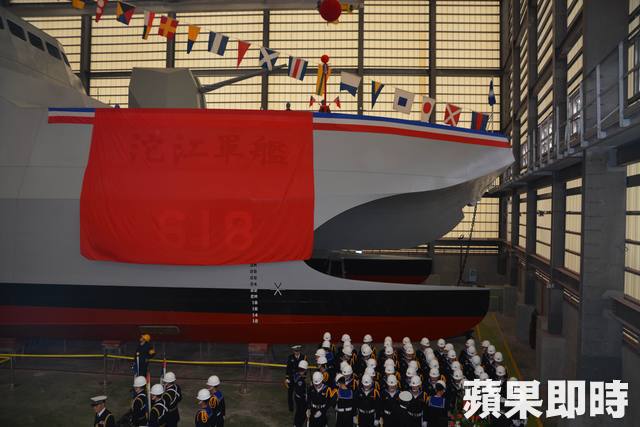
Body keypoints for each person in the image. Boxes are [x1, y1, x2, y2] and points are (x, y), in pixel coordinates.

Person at [286, 345, 307, 412]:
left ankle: (300, 407)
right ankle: (291, 408)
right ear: (293, 351)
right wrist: (287, 378)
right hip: (292, 378)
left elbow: (305, 368)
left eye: (298, 351)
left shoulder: (304, 357)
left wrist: (304, 377)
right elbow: (288, 368)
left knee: (300, 394)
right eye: (295, 351)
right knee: (290, 394)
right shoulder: (290, 357)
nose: (296, 352)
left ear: (299, 350)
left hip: (300, 379)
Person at [293, 360, 309, 427]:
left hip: (297, 396)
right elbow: (301, 390)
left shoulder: (297, 375)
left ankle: (295, 424)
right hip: (301, 399)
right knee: (302, 413)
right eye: (301, 370)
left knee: (298, 412)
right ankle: (298, 425)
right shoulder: (301, 380)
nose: (301, 371)